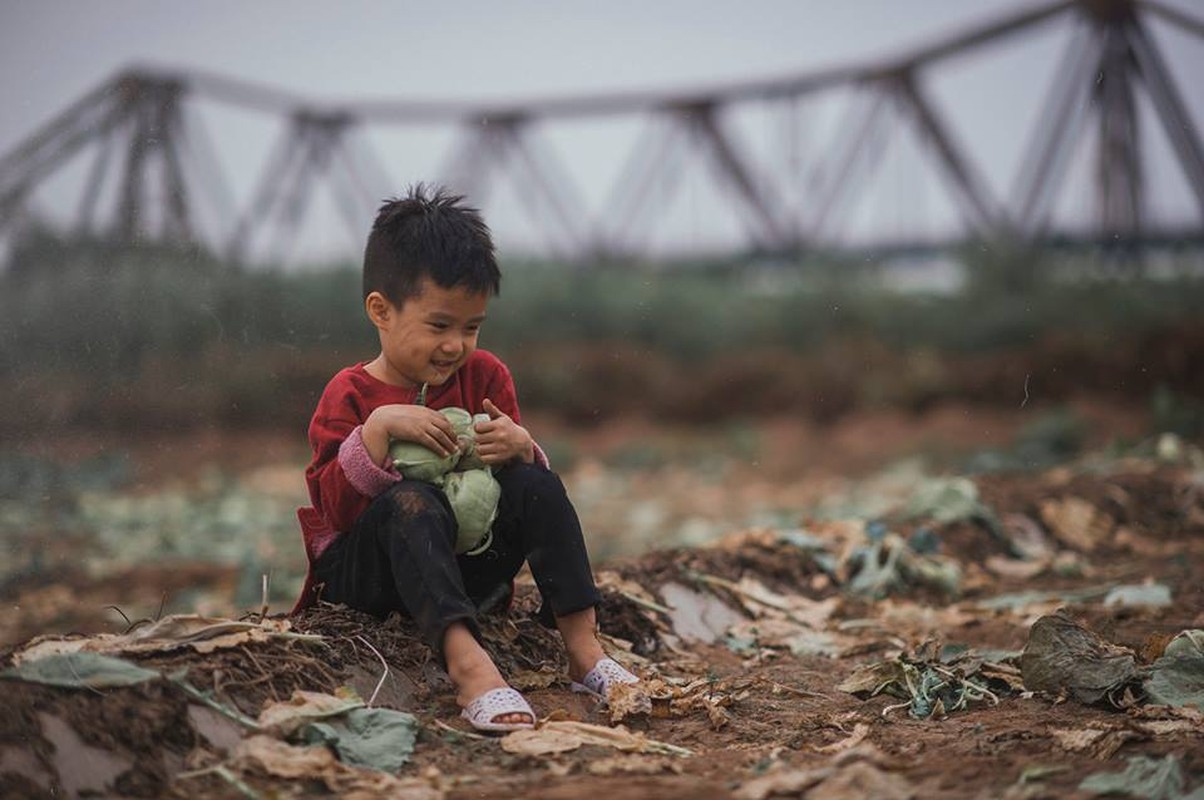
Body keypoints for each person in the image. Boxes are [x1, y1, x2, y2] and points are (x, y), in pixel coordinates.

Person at [292, 184, 637, 732]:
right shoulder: (350, 394)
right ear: (381, 311)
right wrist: (377, 432)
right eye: (439, 326)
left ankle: (584, 650)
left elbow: (512, 487)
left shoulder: (485, 377)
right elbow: (333, 511)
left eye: (471, 327)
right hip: (369, 583)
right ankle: (470, 667)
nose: (456, 345)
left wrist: (520, 447)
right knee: (412, 500)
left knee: (537, 484)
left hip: (461, 564)